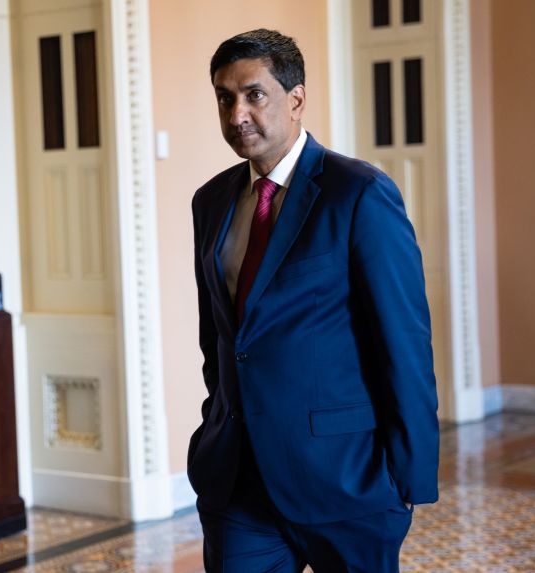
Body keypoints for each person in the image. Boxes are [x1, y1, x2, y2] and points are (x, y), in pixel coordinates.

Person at [188, 29, 439, 572]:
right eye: (225, 98)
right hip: (240, 486)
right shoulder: (210, 202)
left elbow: (404, 343)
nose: (237, 115)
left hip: (347, 481)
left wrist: (409, 478)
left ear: (296, 99)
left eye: (254, 95)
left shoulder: (359, 193)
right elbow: (220, 340)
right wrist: (215, 427)